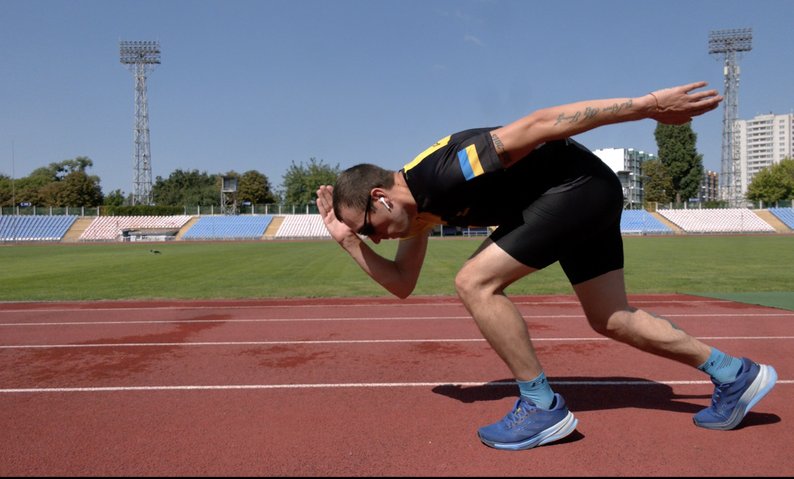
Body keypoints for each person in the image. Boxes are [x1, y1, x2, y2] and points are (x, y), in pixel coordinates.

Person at [315, 81, 778, 451]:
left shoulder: (443, 172)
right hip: (582, 194)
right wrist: (348, 243)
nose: (376, 239)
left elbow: (539, 123)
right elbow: (402, 284)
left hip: (576, 187)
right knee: (611, 317)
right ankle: (733, 373)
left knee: (474, 282)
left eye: (368, 229)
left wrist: (648, 105)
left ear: (380, 197)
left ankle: (540, 405)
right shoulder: (416, 213)